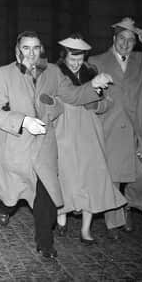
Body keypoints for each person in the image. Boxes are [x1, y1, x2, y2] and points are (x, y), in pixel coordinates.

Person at [0, 30, 113, 258]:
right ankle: (5, 207)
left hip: (44, 146)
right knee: (11, 194)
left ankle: (45, 243)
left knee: (46, 199)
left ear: (41, 50)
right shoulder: (2, 74)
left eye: (36, 48)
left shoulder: (53, 72)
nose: (31, 53)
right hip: (16, 147)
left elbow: (73, 95)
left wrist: (93, 85)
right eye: (26, 48)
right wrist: (23, 121)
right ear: (17, 51)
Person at [89, 17, 142, 237]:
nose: (125, 44)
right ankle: (113, 223)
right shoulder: (96, 61)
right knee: (114, 176)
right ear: (113, 38)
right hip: (111, 127)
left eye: (131, 40)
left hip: (138, 128)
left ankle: (129, 206)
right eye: (121, 38)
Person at [54, 34, 127, 244]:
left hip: (89, 133)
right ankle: (61, 217)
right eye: (71, 58)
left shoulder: (93, 72)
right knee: (64, 175)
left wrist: (96, 105)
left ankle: (86, 230)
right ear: (64, 56)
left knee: (90, 179)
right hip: (64, 131)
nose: (76, 63)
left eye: (80, 58)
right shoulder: (55, 74)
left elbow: (108, 102)